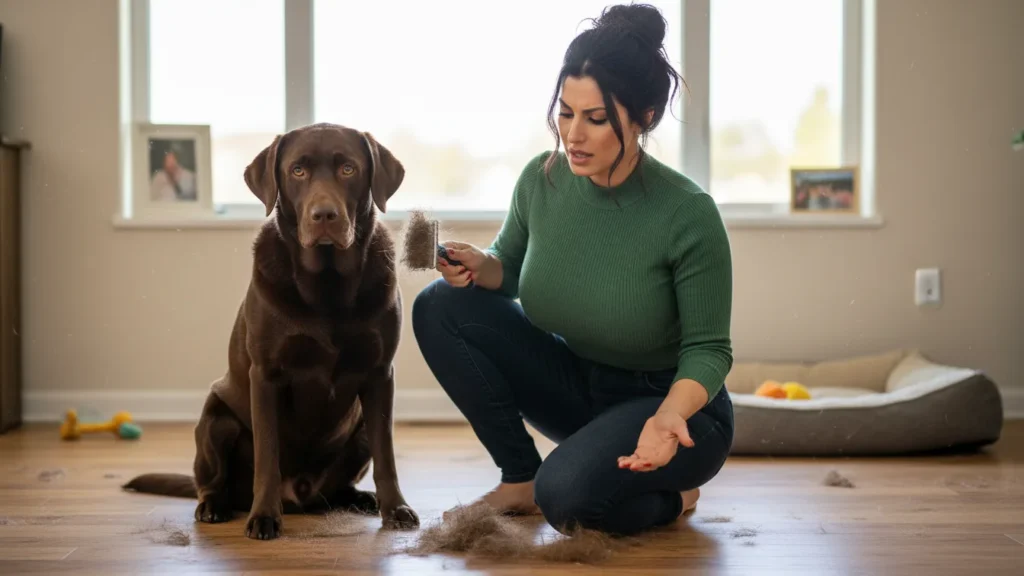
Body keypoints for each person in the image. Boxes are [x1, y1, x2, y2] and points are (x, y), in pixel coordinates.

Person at [411, 2, 734, 537]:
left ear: (644, 117)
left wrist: (668, 417)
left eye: (596, 118)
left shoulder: (687, 213)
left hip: (673, 409)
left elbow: (710, 350)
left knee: (566, 500)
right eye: (565, 112)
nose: (572, 135)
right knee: (440, 306)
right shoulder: (542, 180)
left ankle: (676, 495)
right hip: (583, 386)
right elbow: (511, 272)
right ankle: (518, 477)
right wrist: (479, 266)